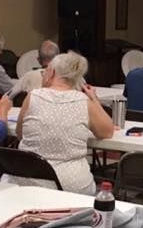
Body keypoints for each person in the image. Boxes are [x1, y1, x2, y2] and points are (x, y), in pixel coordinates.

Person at [15, 51, 114, 193]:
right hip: (72, 185)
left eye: (45, 72)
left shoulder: (33, 96)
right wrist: (94, 99)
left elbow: (20, 135)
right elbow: (107, 131)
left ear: (52, 72)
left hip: (28, 180)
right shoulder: (84, 101)